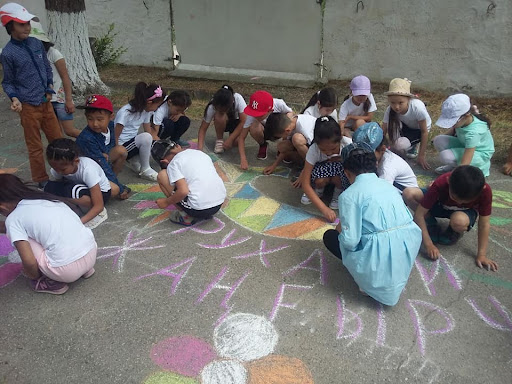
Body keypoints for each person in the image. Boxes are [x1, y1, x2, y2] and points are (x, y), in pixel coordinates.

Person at [322, 145, 421, 306]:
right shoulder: (389, 186)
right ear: (375, 165)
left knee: (331, 237)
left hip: (377, 263)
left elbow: (350, 241)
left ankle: (367, 283)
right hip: (407, 248)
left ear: (347, 173)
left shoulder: (349, 195)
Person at [0, 174, 97, 294]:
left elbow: (29, 262)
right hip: (91, 252)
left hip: (66, 271)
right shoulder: (46, 198)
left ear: (2, 207)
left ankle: (50, 282)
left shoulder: (13, 219)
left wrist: (33, 276)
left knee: (18, 235)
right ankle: (84, 270)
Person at [0, 3, 62, 186]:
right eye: (21, 24)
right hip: (28, 106)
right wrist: (15, 98)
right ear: (10, 26)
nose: (27, 27)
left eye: (28, 23)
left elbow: (46, 68)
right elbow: (8, 82)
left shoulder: (36, 43)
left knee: (58, 141)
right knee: (35, 146)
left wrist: (50, 88)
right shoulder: (8, 53)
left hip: (46, 102)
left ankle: (64, 172)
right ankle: (42, 179)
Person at [412, 165, 497, 271]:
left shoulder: (485, 191)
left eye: (464, 201)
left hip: (462, 213)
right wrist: (428, 244)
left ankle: (453, 230)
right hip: (440, 205)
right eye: (454, 197)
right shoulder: (441, 182)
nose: (458, 202)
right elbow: (419, 214)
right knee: (410, 194)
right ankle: (430, 223)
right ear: (449, 181)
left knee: (459, 221)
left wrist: (482, 255)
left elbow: (484, 223)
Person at [152, 140, 226, 226]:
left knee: (162, 175)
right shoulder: (199, 153)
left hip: (199, 209)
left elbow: (183, 191)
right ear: (178, 146)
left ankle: (185, 217)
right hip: (218, 204)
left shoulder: (174, 163)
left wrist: (166, 202)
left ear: (164, 161)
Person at [44, 138, 112, 229]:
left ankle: (95, 214)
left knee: (74, 191)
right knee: (49, 187)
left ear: (76, 162)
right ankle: (76, 208)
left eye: (63, 169)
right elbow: (58, 186)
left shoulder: (88, 170)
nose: (59, 172)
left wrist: (78, 223)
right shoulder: (58, 167)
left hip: (101, 193)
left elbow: (99, 205)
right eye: (55, 168)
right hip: (79, 188)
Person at [352, 122, 421, 209]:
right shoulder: (377, 158)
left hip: (406, 195)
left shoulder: (388, 167)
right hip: (392, 188)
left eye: (368, 154)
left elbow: (382, 194)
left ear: (383, 149)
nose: (363, 157)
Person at [29, 20, 80, 138]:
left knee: (70, 130)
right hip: (45, 100)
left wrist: (69, 100)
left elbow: (65, 77)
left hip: (60, 99)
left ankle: (95, 142)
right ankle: (63, 154)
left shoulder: (53, 53)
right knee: (55, 133)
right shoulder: (30, 55)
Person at [76, 95, 131, 200]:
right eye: (90, 119)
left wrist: (104, 153)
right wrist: (120, 189)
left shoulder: (110, 125)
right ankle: (105, 186)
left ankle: (111, 181)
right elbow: (102, 165)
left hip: (98, 160)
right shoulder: (87, 138)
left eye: (100, 119)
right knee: (114, 190)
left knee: (121, 151)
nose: (95, 124)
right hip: (85, 169)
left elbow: (112, 144)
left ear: (111, 117)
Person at [297, 116, 352, 221]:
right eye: (323, 149)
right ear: (317, 144)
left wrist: (343, 159)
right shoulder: (314, 150)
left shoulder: (348, 145)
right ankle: (319, 190)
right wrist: (324, 209)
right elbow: (305, 183)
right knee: (320, 180)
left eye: (333, 148)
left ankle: (337, 194)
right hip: (321, 172)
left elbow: (358, 172)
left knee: (342, 174)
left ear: (340, 139)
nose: (329, 153)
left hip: (341, 173)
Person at [433, 94, 495, 176]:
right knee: (438, 140)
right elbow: (453, 129)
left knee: (445, 156)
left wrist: (449, 179)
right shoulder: (464, 120)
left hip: (479, 154)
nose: (452, 124)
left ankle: (468, 169)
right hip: (465, 145)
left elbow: (465, 163)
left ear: (466, 115)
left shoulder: (474, 133)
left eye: (454, 121)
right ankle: (454, 166)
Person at [115, 82, 166, 181]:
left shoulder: (146, 111)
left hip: (131, 145)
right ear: (149, 103)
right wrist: (117, 156)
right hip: (121, 147)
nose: (157, 108)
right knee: (146, 137)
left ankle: (135, 161)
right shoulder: (125, 112)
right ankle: (145, 169)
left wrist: (162, 146)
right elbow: (115, 135)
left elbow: (149, 132)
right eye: (158, 105)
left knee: (152, 140)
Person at [382, 78, 432, 170]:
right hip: (406, 124)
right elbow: (384, 129)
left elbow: (424, 132)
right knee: (395, 143)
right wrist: (380, 147)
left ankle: (414, 145)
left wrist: (421, 155)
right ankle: (398, 149)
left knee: (400, 145)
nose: (396, 107)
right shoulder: (390, 109)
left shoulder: (417, 108)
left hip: (418, 129)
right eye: (393, 103)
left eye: (401, 103)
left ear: (408, 99)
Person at [238, 90, 293, 168]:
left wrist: (284, 124)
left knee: (287, 124)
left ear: (270, 111)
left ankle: (283, 147)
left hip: (279, 130)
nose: (255, 116)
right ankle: (263, 144)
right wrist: (243, 159)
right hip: (265, 130)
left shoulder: (279, 104)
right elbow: (242, 138)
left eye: (259, 115)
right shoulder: (252, 115)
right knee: (253, 126)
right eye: (254, 113)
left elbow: (290, 113)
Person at [198, 85, 247, 154]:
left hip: (236, 122)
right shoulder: (212, 106)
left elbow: (244, 121)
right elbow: (203, 129)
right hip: (222, 121)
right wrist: (199, 150)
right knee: (219, 116)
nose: (222, 111)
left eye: (224, 110)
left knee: (236, 142)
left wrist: (231, 139)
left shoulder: (238, 98)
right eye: (219, 109)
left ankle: (231, 137)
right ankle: (219, 140)